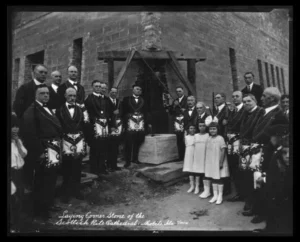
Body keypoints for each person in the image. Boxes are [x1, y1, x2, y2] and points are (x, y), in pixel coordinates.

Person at [244, 87, 288, 223]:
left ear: (272, 99)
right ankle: (257, 208)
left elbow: (277, 137)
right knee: (256, 180)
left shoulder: (279, 114)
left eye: (264, 96)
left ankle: (263, 212)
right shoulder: (263, 111)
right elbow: (255, 129)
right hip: (258, 151)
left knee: (264, 182)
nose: (261, 98)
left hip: (267, 153)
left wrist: (262, 145)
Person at [21, 85, 62, 220]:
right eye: (42, 93)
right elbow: (29, 134)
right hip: (42, 150)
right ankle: (40, 211)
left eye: (47, 93)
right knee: (41, 181)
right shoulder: (32, 110)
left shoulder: (48, 108)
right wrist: (39, 152)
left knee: (51, 179)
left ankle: (48, 204)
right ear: (36, 95)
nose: (46, 95)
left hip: (53, 148)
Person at [254, 127, 291, 234]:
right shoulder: (276, 153)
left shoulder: (280, 152)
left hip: (284, 192)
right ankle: (269, 228)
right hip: (275, 189)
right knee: (272, 209)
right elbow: (273, 171)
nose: (288, 156)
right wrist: (265, 177)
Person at [56, 87, 89, 204]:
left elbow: (85, 126)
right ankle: (65, 192)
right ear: (65, 96)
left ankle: (76, 190)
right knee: (66, 168)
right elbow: (58, 127)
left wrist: (84, 143)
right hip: (65, 142)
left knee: (77, 167)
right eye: (70, 95)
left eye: (74, 96)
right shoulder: (59, 110)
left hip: (79, 141)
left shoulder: (80, 110)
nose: (72, 98)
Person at [239, 94, 265, 214]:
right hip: (245, 148)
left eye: (249, 101)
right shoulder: (245, 113)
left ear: (255, 101)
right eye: (244, 102)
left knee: (256, 176)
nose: (246, 103)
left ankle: (255, 206)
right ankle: (249, 201)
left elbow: (257, 131)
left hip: (255, 148)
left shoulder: (260, 112)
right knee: (246, 176)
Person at [84, 81, 113, 175]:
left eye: (100, 87)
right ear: (92, 87)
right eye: (96, 86)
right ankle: (94, 170)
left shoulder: (105, 99)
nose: (98, 88)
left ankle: (102, 168)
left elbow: (109, 111)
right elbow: (87, 114)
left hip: (104, 127)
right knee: (95, 149)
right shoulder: (89, 99)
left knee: (104, 148)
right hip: (94, 128)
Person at [121, 82, 152, 168]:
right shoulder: (126, 99)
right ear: (133, 90)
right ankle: (127, 161)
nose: (139, 91)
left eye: (140, 89)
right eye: (137, 89)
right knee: (128, 143)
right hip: (129, 124)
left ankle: (135, 158)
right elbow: (123, 112)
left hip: (140, 124)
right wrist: (126, 120)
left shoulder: (143, 100)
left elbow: (147, 112)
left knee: (138, 142)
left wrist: (148, 123)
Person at [226, 91, 247, 202]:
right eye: (233, 96)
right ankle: (239, 193)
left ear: (242, 97)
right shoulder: (233, 110)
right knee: (234, 168)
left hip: (240, 143)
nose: (234, 98)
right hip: (231, 142)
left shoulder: (245, 110)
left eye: (237, 96)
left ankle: (244, 193)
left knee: (241, 168)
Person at [203, 121, 230, 205]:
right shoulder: (208, 138)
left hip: (218, 161)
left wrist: (221, 162)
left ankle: (220, 196)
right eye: (211, 129)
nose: (212, 131)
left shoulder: (220, 138)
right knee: (213, 178)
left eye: (214, 129)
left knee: (219, 178)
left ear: (218, 129)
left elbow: (223, 150)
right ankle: (215, 195)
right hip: (211, 162)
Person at [11, 112, 27, 230]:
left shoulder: (17, 140)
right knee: (12, 199)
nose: (15, 129)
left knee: (20, 197)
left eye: (17, 126)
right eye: (12, 126)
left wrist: (17, 142)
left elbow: (24, 154)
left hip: (19, 173)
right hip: (11, 174)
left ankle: (18, 222)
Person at [213, 92, 230, 195]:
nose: (216, 99)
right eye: (215, 98)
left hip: (223, 138)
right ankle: (219, 186)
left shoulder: (226, 109)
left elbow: (225, 122)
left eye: (218, 98)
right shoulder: (215, 110)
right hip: (217, 138)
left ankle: (227, 188)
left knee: (224, 163)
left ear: (224, 98)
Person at [170, 86, 188, 161]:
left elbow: (192, 109)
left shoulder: (187, 99)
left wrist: (185, 110)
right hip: (177, 122)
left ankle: (187, 156)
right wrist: (174, 105)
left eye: (180, 91)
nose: (178, 93)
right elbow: (171, 112)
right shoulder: (175, 100)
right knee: (179, 140)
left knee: (185, 139)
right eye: (177, 91)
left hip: (185, 121)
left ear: (183, 91)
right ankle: (181, 157)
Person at [107, 87, 122, 172]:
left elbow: (121, 113)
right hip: (110, 127)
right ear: (109, 93)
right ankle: (109, 165)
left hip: (118, 127)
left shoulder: (119, 102)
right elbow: (105, 114)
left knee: (116, 147)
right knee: (110, 147)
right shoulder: (106, 101)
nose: (114, 94)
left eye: (115, 92)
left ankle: (114, 165)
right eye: (112, 92)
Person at [193, 121, 210, 196]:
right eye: (200, 126)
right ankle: (196, 186)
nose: (201, 127)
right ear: (198, 127)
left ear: (206, 127)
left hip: (205, 155)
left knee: (204, 171)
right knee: (197, 171)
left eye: (203, 126)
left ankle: (205, 188)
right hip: (197, 155)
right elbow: (193, 146)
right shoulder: (195, 135)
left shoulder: (208, 135)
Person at [183, 124, 197, 193]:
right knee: (190, 169)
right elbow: (186, 145)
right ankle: (192, 185)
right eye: (191, 128)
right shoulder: (186, 137)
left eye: (193, 128)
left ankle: (197, 186)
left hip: (196, 152)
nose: (192, 129)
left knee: (196, 169)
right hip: (189, 153)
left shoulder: (197, 136)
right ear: (188, 129)